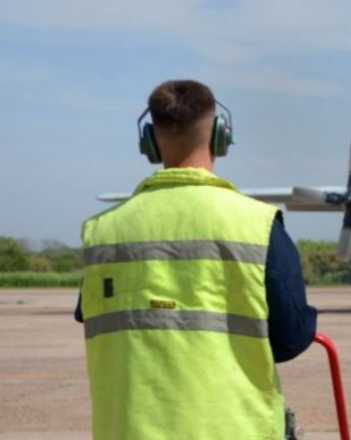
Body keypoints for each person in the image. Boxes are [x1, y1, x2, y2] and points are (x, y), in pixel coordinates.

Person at [75, 79, 317, 439]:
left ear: (149, 140)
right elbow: (291, 339)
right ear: (221, 134)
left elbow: (95, 319)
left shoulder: (102, 232)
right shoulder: (257, 225)